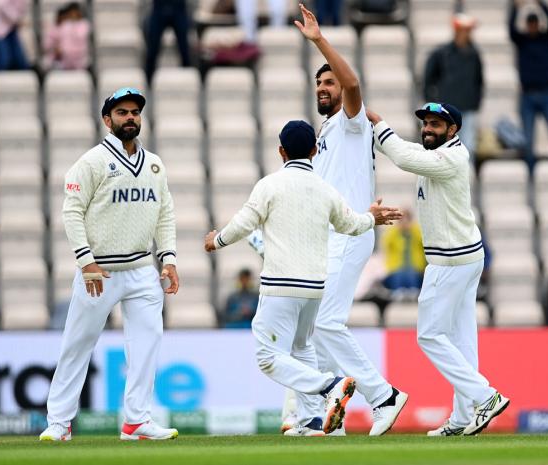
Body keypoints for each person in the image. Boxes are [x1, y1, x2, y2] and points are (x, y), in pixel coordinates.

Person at [204, 120, 403, 436]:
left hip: (281, 285)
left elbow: (244, 223)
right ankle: (311, 420)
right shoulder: (326, 189)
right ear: (313, 151)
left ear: (281, 151)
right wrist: (371, 218)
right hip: (314, 290)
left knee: (268, 357)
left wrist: (217, 241)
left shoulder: (269, 185)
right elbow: (350, 225)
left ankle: (330, 385)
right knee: (302, 348)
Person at [279, 3, 408, 437]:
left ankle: (384, 395)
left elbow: (353, 82)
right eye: (319, 82)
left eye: (328, 81)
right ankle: (322, 420)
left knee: (328, 324)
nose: (324, 86)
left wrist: (319, 41)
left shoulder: (352, 121)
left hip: (353, 234)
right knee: (314, 332)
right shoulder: (326, 134)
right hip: (329, 238)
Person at [39, 88, 180, 442]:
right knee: (78, 343)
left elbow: (165, 214)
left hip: (141, 270)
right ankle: (59, 421)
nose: (130, 118)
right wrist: (85, 262)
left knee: (147, 342)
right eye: (122, 113)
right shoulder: (91, 163)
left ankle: (136, 421)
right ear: (107, 120)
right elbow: (71, 212)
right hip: (99, 271)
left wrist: (169, 258)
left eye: (135, 112)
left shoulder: (154, 164)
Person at [367, 101, 510, 437]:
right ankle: (462, 418)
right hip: (464, 257)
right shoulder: (438, 153)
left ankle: (486, 396)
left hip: (450, 260)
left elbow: (403, 157)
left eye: (436, 125)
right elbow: (408, 152)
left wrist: (378, 125)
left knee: (429, 335)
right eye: (426, 123)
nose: (428, 129)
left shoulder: (452, 157)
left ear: (453, 130)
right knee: (462, 340)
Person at [509, 0, 548, 173]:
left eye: (535, 23)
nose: (533, 26)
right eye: (530, 24)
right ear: (527, 25)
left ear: (538, 24)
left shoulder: (545, 39)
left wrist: (540, 3)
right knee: (528, 138)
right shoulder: (522, 42)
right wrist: (515, 8)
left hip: (546, 93)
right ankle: (530, 169)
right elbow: (511, 29)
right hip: (527, 95)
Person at [423, 14, 483, 158]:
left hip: (467, 108)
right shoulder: (442, 53)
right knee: (445, 147)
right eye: (465, 30)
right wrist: (433, 103)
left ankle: (465, 179)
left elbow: (478, 80)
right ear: (457, 31)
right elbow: (428, 79)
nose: (468, 34)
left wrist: (475, 102)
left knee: (468, 146)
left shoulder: (474, 54)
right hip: (447, 110)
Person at [380, 208, 426, 301]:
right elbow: (385, 243)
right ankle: (398, 292)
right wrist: (397, 229)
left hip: (415, 268)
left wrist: (412, 229)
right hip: (396, 268)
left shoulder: (416, 231)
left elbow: (423, 241)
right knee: (399, 275)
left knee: (412, 275)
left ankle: (413, 291)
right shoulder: (394, 232)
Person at [145, 0, 192, 82]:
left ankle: (187, 80)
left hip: (178, 7)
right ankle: (148, 81)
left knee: (184, 50)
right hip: (159, 7)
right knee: (152, 48)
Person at [43, 2, 91, 71]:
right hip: (63, 61)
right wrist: (56, 49)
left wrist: (65, 51)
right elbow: (48, 45)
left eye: (75, 12)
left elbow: (80, 39)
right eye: (71, 13)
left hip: (79, 61)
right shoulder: (64, 25)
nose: (73, 15)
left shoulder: (84, 25)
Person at [0, 0, 29, 75]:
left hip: (8, 26)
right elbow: (1, 4)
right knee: (3, 61)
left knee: (20, 61)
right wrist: (16, 20)